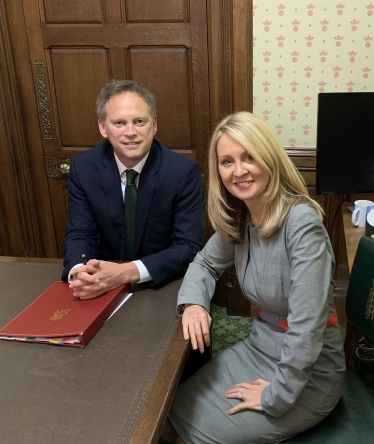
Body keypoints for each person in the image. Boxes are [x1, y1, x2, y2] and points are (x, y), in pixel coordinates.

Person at [161, 111, 345, 444]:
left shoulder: (301, 224)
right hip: (259, 348)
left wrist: (275, 397)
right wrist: (193, 304)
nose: (239, 170)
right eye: (227, 161)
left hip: (308, 372)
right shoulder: (242, 219)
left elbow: (306, 331)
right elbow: (203, 263)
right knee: (166, 413)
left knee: (191, 435)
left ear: (270, 159)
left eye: (249, 157)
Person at [62, 80, 205, 299]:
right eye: (119, 123)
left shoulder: (183, 172)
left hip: (161, 281)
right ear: (103, 127)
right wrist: (79, 273)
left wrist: (125, 273)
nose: (130, 132)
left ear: (154, 124)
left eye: (139, 121)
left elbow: (189, 246)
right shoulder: (84, 167)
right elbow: (81, 233)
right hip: (101, 281)